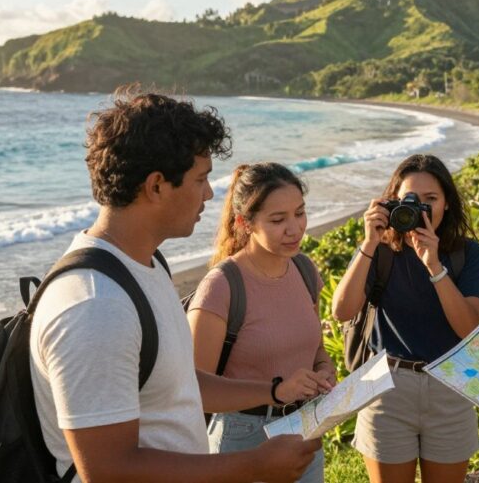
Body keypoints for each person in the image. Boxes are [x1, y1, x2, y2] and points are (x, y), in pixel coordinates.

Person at [29, 88, 327, 483]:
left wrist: (275, 392)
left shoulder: (144, 267)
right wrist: (253, 464)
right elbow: (108, 470)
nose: (208, 193)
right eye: (200, 179)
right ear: (156, 186)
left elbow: (180, 382)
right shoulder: (95, 305)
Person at [331, 154, 479, 483]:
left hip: (450, 385)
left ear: (447, 203)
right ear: (393, 201)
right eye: (411, 199)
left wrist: (434, 265)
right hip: (386, 387)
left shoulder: (467, 253)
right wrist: (369, 243)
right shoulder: (379, 251)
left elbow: (467, 330)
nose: (421, 208)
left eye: (431, 199)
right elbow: (342, 311)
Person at [187, 162, 335, 483]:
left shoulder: (305, 270)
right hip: (242, 441)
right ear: (245, 223)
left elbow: (317, 352)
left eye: (300, 213)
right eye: (278, 220)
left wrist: (325, 371)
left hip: (305, 431)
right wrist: (277, 391)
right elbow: (193, 391)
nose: (294, 228)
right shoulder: (221, 286)